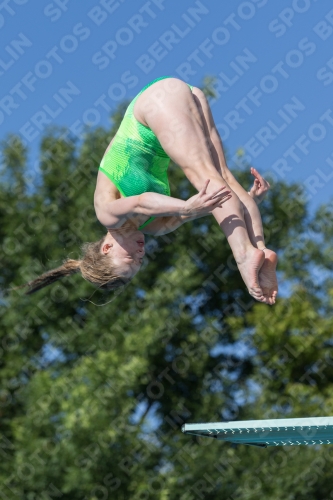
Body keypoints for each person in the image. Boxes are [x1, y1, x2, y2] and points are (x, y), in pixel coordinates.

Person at [24, 77, 278, 304]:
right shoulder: (156, 226)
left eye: (129, 259)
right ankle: (260, 251)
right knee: (222, 180)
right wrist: (246, 201)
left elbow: (142, 202)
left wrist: (186, 206)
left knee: (205, 178)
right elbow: (208, 205)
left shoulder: (108, 215)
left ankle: (244, 257)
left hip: (152, 108)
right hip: (180, 101)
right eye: (140, 261)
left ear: (107, 249)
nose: (139, 254)